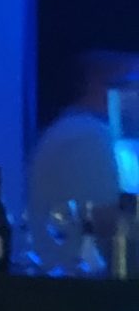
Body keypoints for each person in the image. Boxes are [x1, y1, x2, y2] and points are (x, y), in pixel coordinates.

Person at [27, 48, 139, 251]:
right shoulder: (87, 135)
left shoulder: (81, 131)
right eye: (133, 84)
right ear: (102, 86)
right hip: (82, 268)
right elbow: (107, 220)